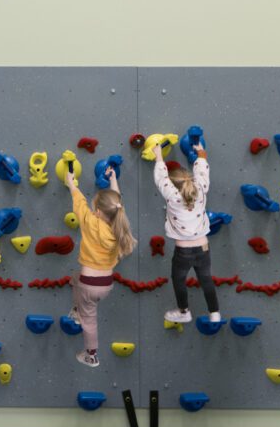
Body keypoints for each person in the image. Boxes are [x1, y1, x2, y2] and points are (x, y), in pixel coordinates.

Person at [64, 166, 136, 367]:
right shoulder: (117, 224)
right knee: (75, 280)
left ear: (97, 212)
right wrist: (113, 179)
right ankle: (78, 311)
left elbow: (79, 202)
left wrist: (71, 182)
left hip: (90, 285)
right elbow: (117, 200)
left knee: (89, 320)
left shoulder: (90, 223)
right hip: (105, 284)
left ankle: (91, 355)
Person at [152, 133, 218, 324]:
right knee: (206, 279)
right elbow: (202, 172)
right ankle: (215, 313)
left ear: (174, 185)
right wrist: (201, 153)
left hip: (183, 251)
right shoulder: (200, 189)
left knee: (178, 279)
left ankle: (184, 311)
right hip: (203, 247)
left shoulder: (172, 197)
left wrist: (158, 156)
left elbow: (161, 178)